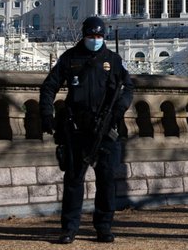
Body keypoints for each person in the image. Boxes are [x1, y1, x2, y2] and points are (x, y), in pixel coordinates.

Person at [39, 16, 133, 245]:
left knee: (106, 180)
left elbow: (128, 87)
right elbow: (50, 85)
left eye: (99, 36)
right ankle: (69, 228)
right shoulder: (70, 58)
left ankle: (103, 227)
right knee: (73, 180)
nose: (95, 40)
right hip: (77, 127)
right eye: (92, 36)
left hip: (106, 128)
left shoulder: (113, 59)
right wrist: (46, 114)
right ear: (84, 35)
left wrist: (119, 110)